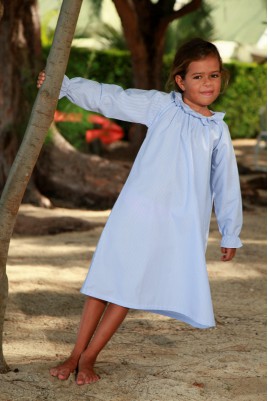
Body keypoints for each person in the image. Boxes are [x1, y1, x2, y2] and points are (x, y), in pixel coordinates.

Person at [37, 38, 243, 386]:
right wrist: (66, 85)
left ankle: (89, 358)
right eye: (198, 77)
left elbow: (227, 184)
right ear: (180, 81)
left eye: (213, 76)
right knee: (106, 280)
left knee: (128, 289)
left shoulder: (217, 130)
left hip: (175, 223)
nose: (207, 84)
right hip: (136, 212)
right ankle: (74, 353)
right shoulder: (161, 106)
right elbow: (112, 98)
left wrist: (231, 231)